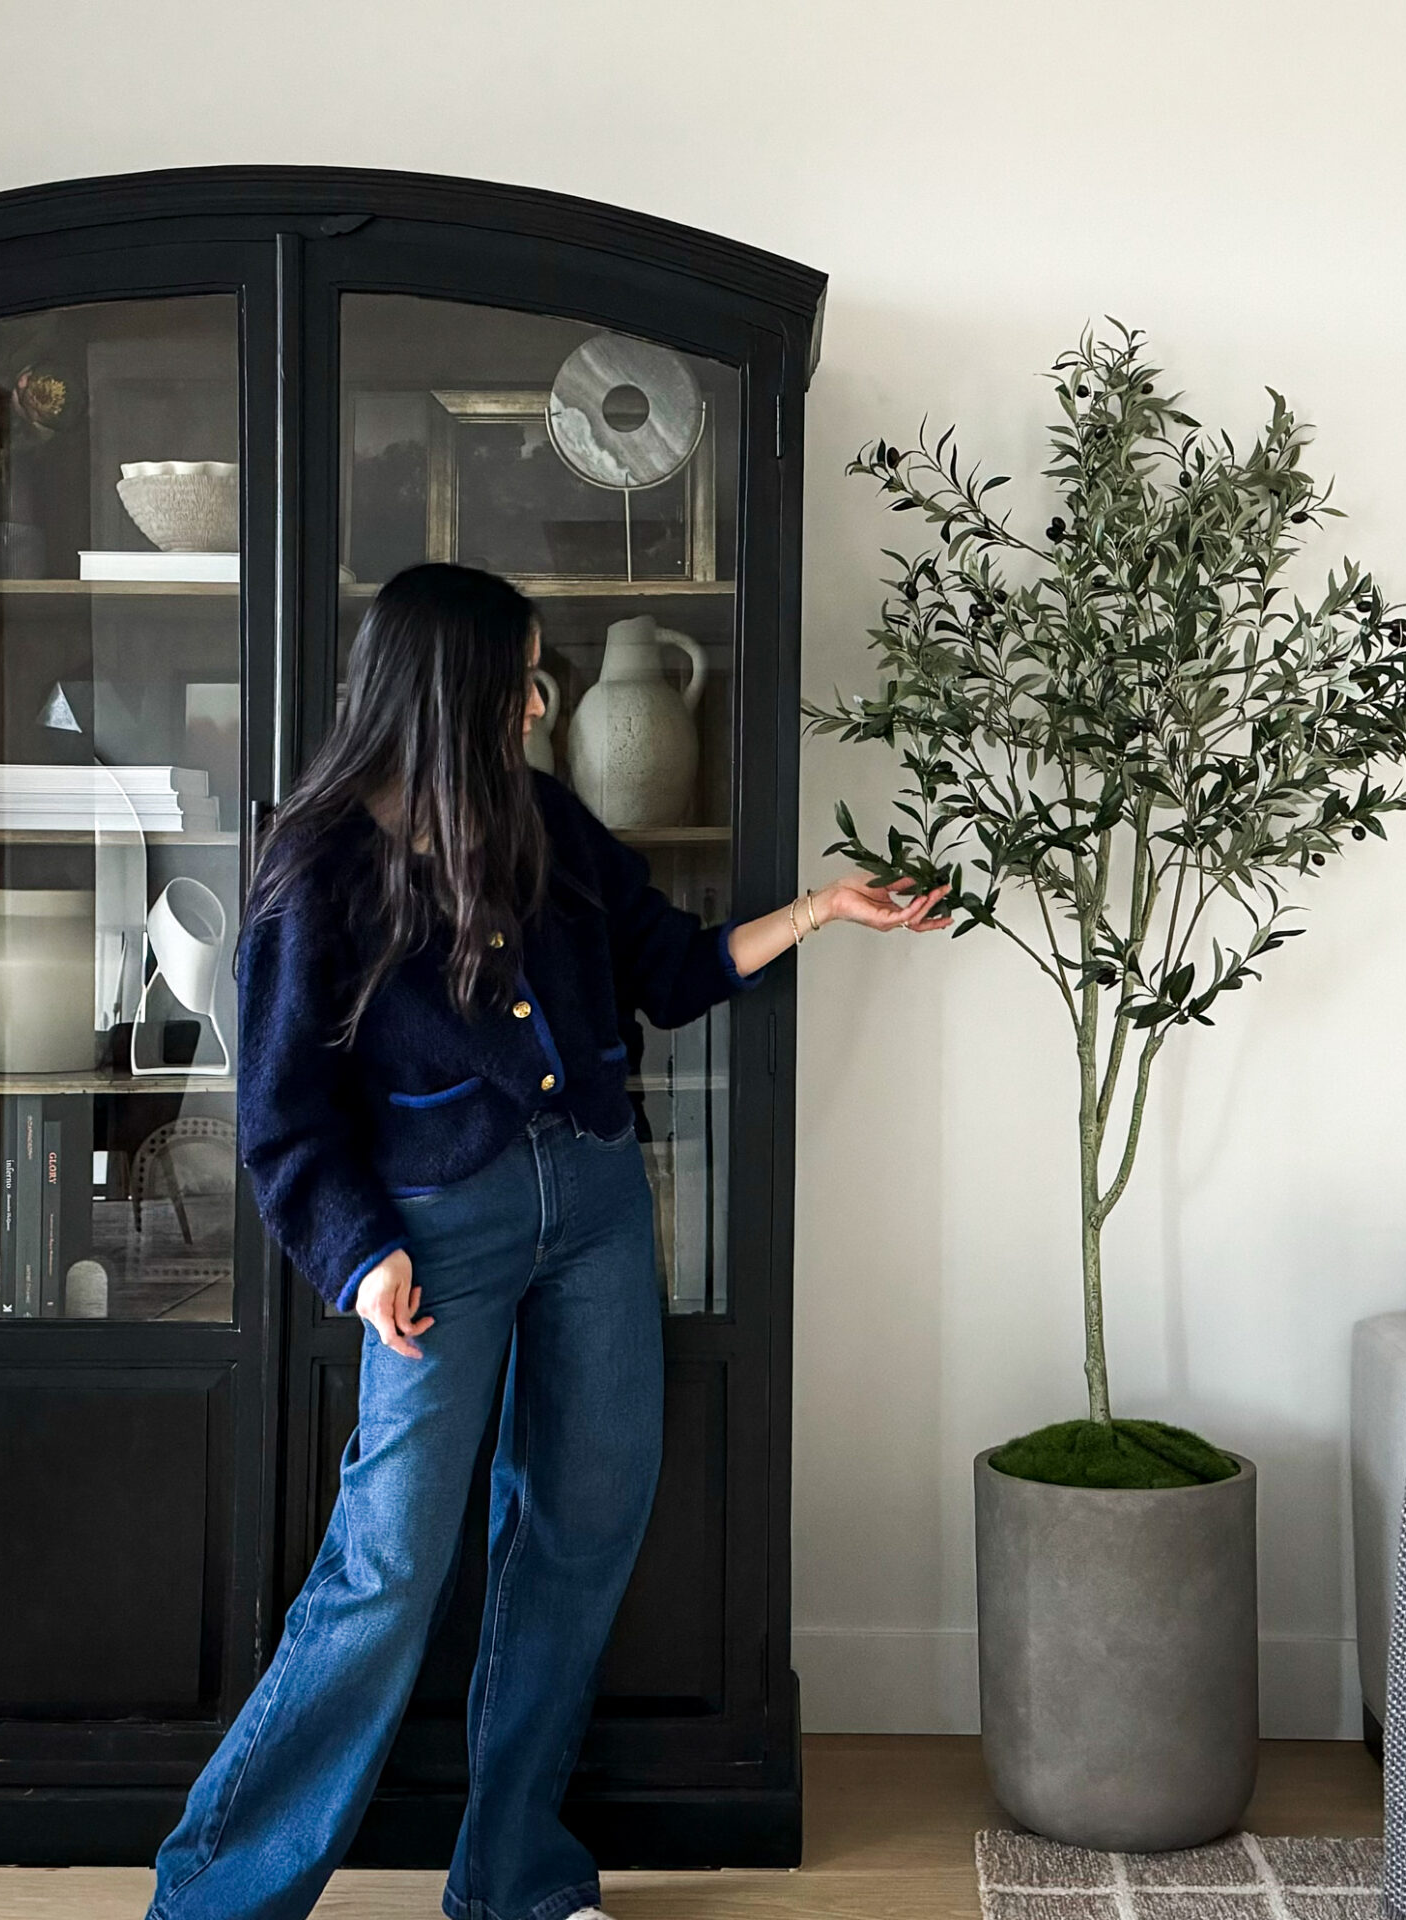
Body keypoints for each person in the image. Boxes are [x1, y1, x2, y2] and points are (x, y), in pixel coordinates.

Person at [146, 563, 947, 1920]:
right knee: (389, 1568)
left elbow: (674, 970)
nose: (538, 699)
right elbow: (282, 1118)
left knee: (583, 1525)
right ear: (456, 689)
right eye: (521, 674)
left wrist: (821, 910)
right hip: (432, 1246)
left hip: (592, 1211)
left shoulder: (551, 826)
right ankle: (215, 1898)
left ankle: (514, 1874)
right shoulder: (319, 863)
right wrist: (361, 1258)